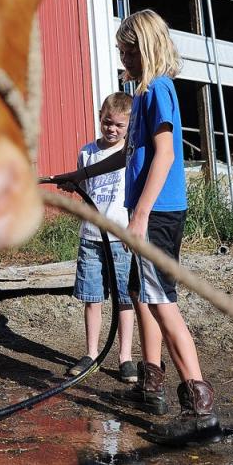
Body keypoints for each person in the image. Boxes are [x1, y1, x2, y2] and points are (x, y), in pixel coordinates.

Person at [61, 9, 221, 446]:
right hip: (153, 211)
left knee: (161, 302)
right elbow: (133, 156)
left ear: (146, 48)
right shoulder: (144, 95)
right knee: (140, 295)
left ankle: (200, 409)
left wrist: (140, 215)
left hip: (159, 213)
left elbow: (165, 155)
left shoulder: (157, 92)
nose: (123, 59)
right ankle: (153, 381)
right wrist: (74, 177)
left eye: (128, 51)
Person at [65, 92, 138, 384]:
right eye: (108, 122)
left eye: (119, 126)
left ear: (129, 126)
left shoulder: (130, 154)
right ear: (100, 117)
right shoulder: (87, 153)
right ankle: (92, 353)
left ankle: (125, 357)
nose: (112, 129)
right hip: (91, 237)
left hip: (120, 239)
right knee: (92, 297)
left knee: (125, 299)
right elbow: (83, 190)